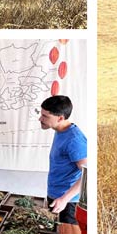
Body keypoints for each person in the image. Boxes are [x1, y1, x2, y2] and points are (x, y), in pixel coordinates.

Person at [37, 94, 87, 223]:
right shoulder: (59, 130)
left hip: (68, 203)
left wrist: (64, 199)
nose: (40, 119)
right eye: (41, 114)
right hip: (56, 197)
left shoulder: (74, 140)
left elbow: (88, 175)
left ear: (60, 118)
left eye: (45, 116)